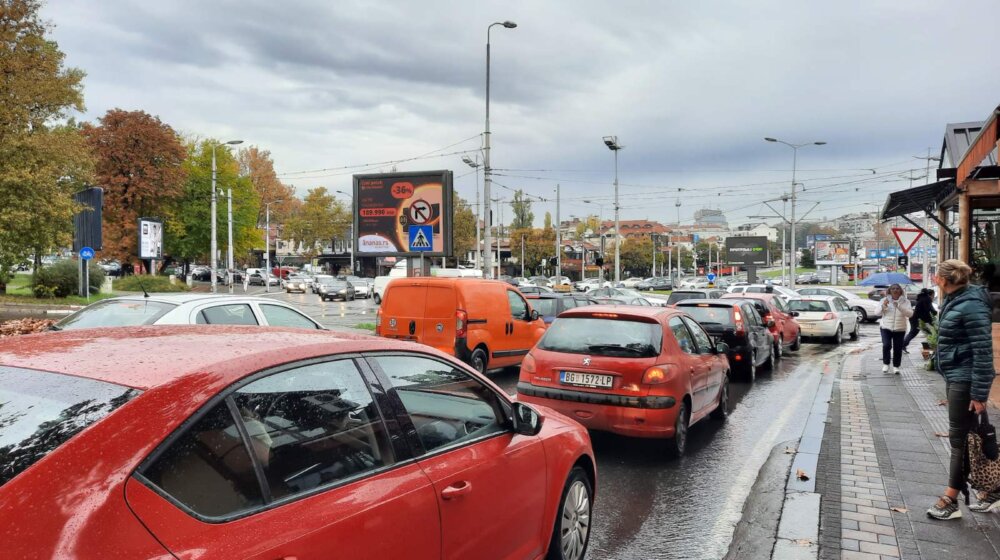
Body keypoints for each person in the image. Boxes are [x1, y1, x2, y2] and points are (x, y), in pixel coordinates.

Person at [926, 259, 997, 520]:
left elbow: (982, 351)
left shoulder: (970, 304)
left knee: (960, 441)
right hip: (959, 375)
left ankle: (951, 499)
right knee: (978, 435)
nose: (935, 279)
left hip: (966, 380)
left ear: (943, 280)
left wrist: (978, 393)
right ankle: (993, 490)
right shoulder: (959, 299)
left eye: (936, 276)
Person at [879, 283, 913, 374]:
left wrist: (899, 306)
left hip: (900, 328)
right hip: (886, 327)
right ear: (889, 291)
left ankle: (896, 366)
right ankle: (886, 364)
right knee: (886, 345)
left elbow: (910, 314)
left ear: (900, 291)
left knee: (898, 348)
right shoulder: (884, 300)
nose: (895, 290)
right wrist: (884, 306)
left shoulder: (906, 302)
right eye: (893, 288)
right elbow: (877, 313)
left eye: (897, 288)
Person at [903, 288, 938, 353]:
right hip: (917, 319)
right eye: (933, 294)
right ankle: (903, 345)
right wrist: (935, 313)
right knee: (915, 332)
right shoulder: (927, 299)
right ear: (930, 294)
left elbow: (926, 310)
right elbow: (929, 310)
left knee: (929, 332)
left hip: (915, 318)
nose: (933, 296)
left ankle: (930, 346)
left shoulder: (921, 298)